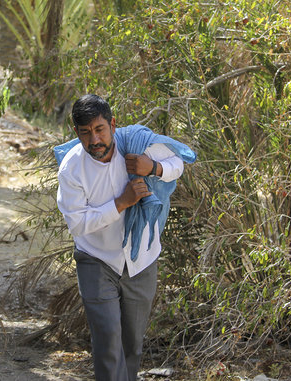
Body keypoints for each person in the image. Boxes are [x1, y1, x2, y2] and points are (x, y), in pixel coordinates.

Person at [56, 94, 193, 381]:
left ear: (113, 125)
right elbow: (78, 224)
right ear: (76, 133)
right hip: (95, 259)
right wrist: (121, 202)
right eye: (85, 133)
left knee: (131, 345)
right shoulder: (71, 168)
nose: (94, 140)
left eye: (99, 129)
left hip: (141, 258)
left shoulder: (138, 145)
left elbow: (178, 163)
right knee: (107, 343)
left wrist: (153, 168)